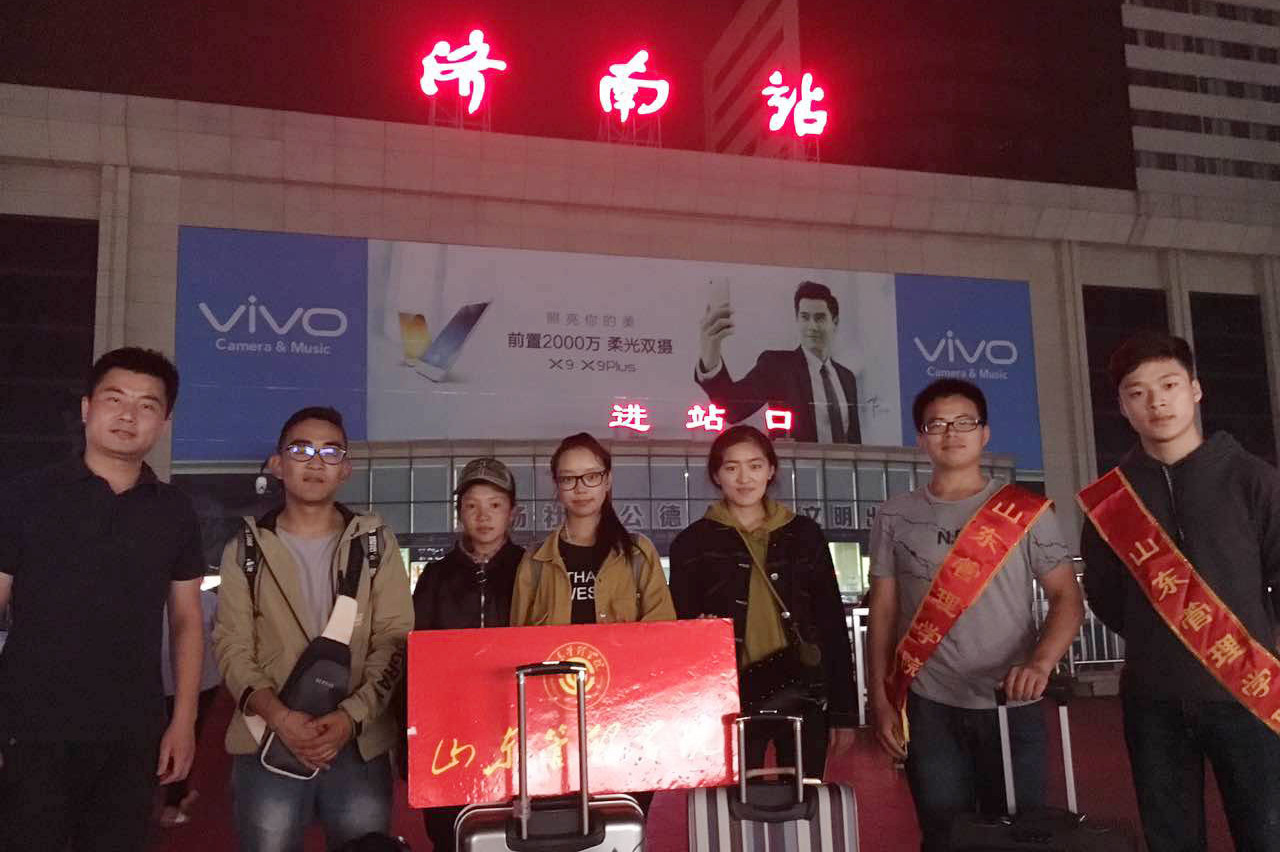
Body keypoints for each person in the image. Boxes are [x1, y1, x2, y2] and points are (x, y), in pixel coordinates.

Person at [1080, 332, 1280, 852]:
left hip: (1249, 690)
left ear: (1195, 389)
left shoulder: (1254, 480)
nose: (1156, 402)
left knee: (1267, 833)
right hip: (1153, 700)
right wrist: (1158, 638)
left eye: (1168, 385)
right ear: (1123, 407)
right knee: (1170, 838)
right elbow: (1104, 594)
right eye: (1138, 392)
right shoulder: (1113, 499)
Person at [0, 347, 206, 852]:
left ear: (164, 422)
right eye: (115, 399)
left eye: (146, 405)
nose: (128, 415)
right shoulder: (27, 495)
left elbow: (186, 620)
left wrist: (183, 720)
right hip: (30, 725)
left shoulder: (175, 511)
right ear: (87, 408)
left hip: (132, 731)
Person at [866, 379, 1083, 852]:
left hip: (1012, 703)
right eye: (937, 424)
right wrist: (880, 700)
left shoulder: (1025, 513)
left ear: (984, 433)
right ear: (921, 438)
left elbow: (1067, 597)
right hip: (929, 707)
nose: (952, 433)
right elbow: (882, 610)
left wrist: (1041, 663)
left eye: (965, 422)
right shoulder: (894, 515)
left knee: (1018, 838)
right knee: (944, 835)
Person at [213, 406, 414, 852]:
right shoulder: (246, 549)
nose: (316, 461)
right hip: (267, 736)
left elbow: (394, 638)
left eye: (330, 451)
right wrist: (280, 717)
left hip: (357, 740)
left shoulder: (375, 544)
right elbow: (231, 645)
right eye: (301, 450)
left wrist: (350, 717)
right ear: (277, 464)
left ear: (346, 469)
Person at [668, 425, 857, 778]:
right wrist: (699, 630)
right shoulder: (692, 543)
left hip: (803, 688)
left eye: (755, 466)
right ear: (716, 475)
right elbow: (679, 628)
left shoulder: (804, 535)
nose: (744, 478)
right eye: (731, 467)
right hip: (728, 695)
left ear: (771, 470)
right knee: (731, 801)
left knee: (804, 796)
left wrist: (844, 713)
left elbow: (831, 622)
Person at [510, 432, 676, 814]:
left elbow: (661, 631)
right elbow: (517, 643)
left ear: (608, 480)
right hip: (554, 721)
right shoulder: (535, 561)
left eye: (591, 476)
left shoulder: (638, 553)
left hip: (625, 717)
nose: (580, 488)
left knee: (623, 819)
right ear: (556, 486)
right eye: (568, 478)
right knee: (560, 821)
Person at [404, 457, 525, 851]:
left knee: (519, 832)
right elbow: (414, 657)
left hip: (516, 726)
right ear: (459, 513)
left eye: (495, 505)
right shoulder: (436, 577)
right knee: (451, 831)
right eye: (472, 505)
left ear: (512, 512)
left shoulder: (533, 571)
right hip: (449, 732)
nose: (483, 516)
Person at [696, 280, 862, 443]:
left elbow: (855, 442)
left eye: (819, 318)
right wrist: (710, 355)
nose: (812, 326)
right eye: (805, 317)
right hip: (794, 461)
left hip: (843, 462)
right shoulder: (777, 367)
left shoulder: (847, 378)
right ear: (797, 319)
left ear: (835, 322)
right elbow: (733, 409)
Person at [157, 586, 223, 827]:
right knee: (187, 734)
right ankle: (173, 802)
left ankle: (169, 799)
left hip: (168, 681)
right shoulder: (207, 601)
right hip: (201, 682)